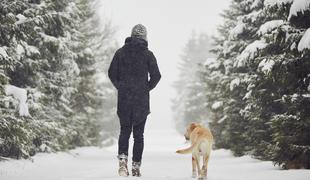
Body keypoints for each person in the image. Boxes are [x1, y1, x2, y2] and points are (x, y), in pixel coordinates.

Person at [108, 24, 161, 177]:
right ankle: (136, 166)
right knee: (139, 135)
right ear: (145, 37)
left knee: (124, 131)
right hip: (141, 101)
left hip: (124, 99)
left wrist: (121, 87)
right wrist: (146, 88)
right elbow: (157, 76)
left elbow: (112, 73)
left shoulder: (120, 53)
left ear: (131, 36)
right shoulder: (148, 54)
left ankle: (123, 162)